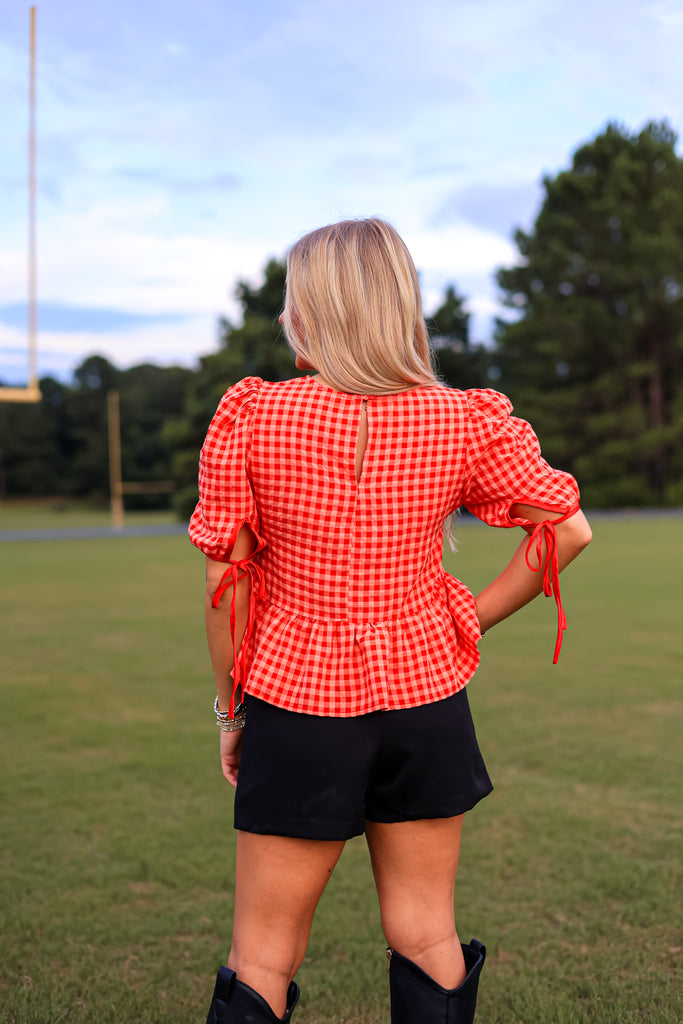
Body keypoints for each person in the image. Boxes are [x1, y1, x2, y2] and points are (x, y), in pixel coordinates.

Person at [189, 218, 592, 1024]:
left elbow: (226, 584)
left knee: (264, 951)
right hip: (427, 706)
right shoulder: (463, 419)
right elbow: (567, 528)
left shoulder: (253, 417)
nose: (281, 318)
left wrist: (232, 713)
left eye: (289, 301)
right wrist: (463, 621)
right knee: (423, 931)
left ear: (315, 312)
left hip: (297, 704)